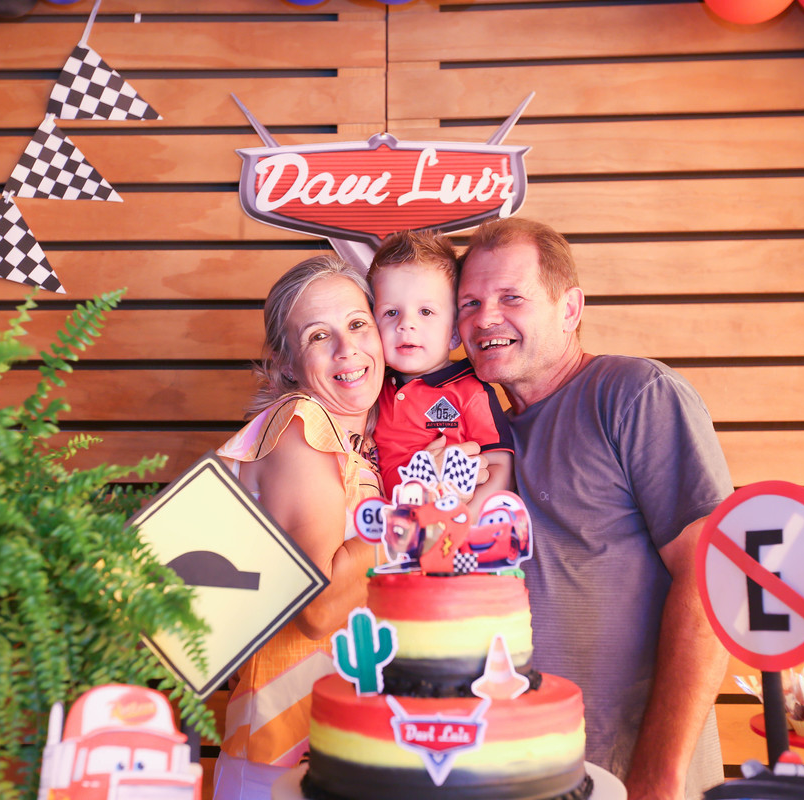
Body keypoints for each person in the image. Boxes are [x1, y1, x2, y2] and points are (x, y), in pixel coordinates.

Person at [455, 218, 733, 800]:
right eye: (470, 303)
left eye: (511, 297)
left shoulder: (634, 394)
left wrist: (658, 777)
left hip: (635, 775)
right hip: (513, 773)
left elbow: (714, 578)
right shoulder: (479, 435)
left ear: (570, 308)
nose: (484, 319)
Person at [212, 255, 384, 800]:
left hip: (342, 740)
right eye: (318, 336)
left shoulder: (356, 442)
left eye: (357, 324)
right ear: (286, 362)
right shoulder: (301, 425)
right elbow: (319, 608)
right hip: (284, 750)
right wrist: (422, 514)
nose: (347, 348)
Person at [367, 229, 513, 509]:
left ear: (454, 333)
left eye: (426, 312)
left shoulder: (470, 391)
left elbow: (501, 467)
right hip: (386, 525)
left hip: (452, 524)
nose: (406, 324)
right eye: (391, 312)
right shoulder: (371, 389)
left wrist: (463, 521)